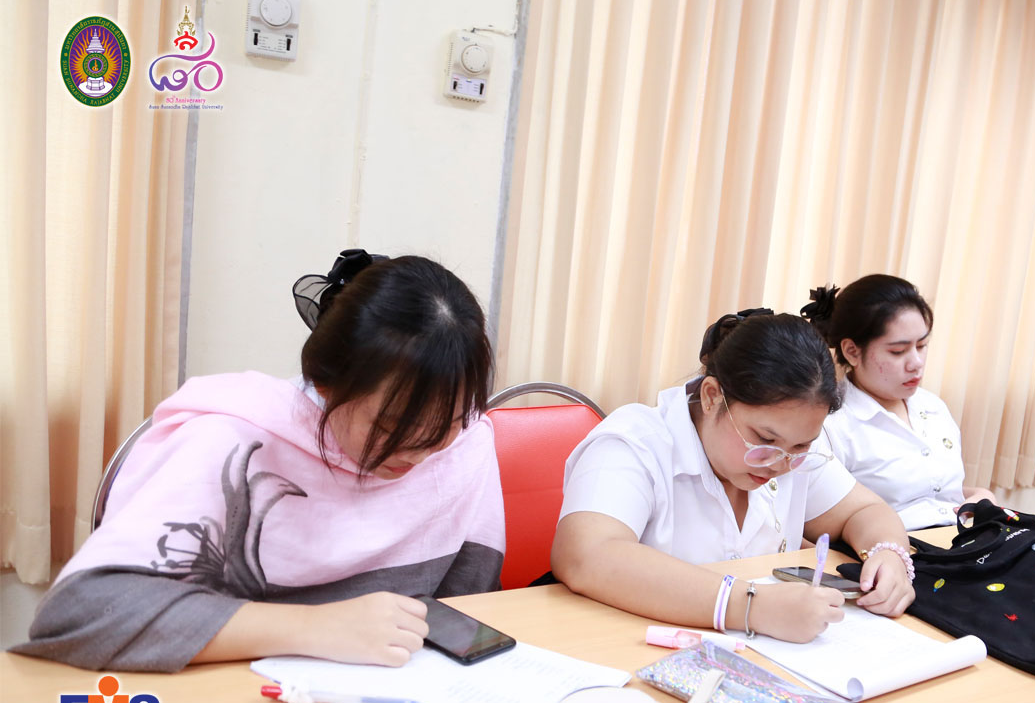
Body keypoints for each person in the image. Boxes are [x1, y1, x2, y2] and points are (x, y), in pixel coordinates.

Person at [13, 250, 504, 672]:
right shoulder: (232, 441)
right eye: (392, 425)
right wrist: (314, 627)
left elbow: (468, 611)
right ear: (328, 383)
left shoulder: (466, 442)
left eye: (446, 423)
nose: (420, 449)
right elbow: (82, 614)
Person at [550, 309, 915, 644]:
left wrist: (890, 553)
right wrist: (751, 607)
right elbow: (586, 554)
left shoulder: (792, 452)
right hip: (633, 646)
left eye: (802, 444)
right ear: (712, 397)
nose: (779, 464)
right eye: (764, 439)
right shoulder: (634, 443)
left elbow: (863, 510)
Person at [802, 274, 995, 530]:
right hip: (894, 546)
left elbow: (934, 494)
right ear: (852, 351)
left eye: (922, 345)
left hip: (960, 538)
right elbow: (818, 523)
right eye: (898, 351)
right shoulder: (831, 425)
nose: (916, 363)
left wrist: (980, 496)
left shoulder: (932, 407)